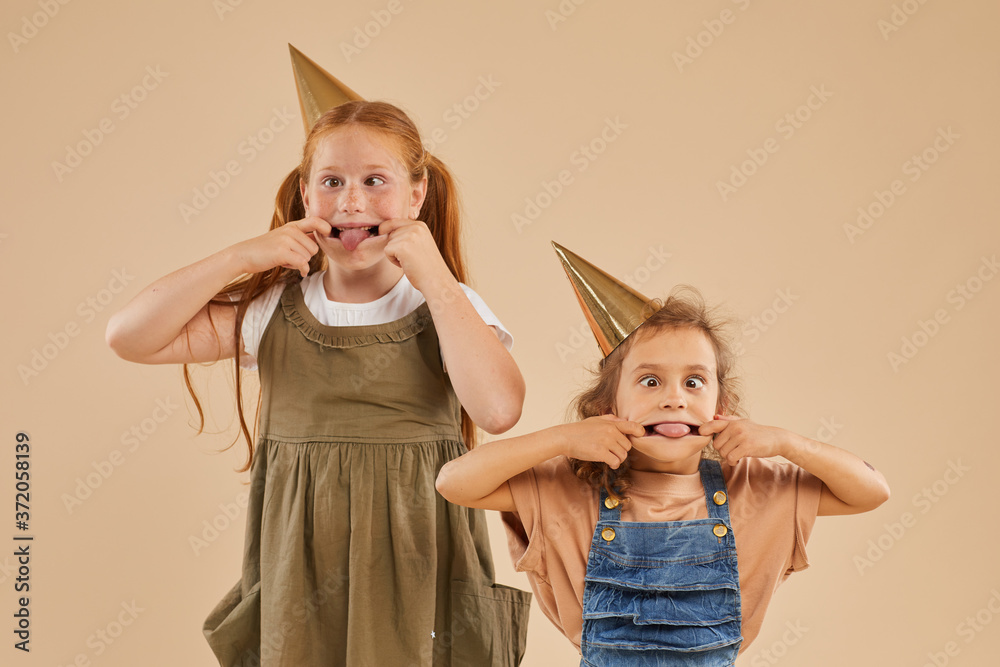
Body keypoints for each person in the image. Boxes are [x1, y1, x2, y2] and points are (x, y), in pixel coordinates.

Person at [106, 100, 531, 666]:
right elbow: (128, 336)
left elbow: (500, 409)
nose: (352, 201)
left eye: (375, 181)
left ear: (416, 195)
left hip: (416, 567)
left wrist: (436, 278)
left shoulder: (447, 307)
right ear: (307, 197)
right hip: (300, 586)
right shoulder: (270, 312)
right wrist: (238, 257)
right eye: (332, 181)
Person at [436, 275, 890, 666]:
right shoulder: (566, 488)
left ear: (721, 407)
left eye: (694, 382)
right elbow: (453, 482)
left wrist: (788, 443)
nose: (675, 398)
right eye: (650, 381)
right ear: (608, 407)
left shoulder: (757, 488)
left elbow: (870, 491)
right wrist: (561, 439)